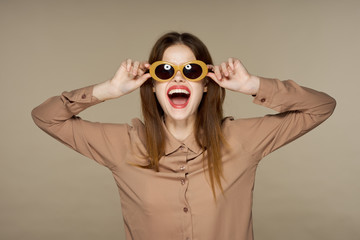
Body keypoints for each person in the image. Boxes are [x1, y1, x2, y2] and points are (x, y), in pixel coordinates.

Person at [31, 32, 336, 240]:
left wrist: (252, 84)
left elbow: (320, 107)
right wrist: (108, 90)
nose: (178, 77)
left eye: (191, 70)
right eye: (165, 71)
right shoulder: (124, 146)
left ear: (206, 84)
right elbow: (46, 116)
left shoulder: (242, 140)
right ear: (152, 85)